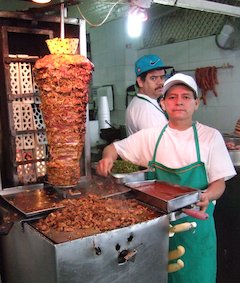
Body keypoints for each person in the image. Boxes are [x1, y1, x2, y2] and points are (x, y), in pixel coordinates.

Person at [96, 73, 236, 283]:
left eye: (186, 97)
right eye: (172, 97)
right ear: (163, 103)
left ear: (196, 103)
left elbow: (219, 183)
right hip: (157, 230)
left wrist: (207, 195)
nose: (179, 101)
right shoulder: (152, 136)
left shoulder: (210, 136)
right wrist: (107, 158)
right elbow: (113, 148)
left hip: (196, 226)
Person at [125, 54, 173, 135]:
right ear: (140, 81)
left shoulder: (142, 102)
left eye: (162, 77)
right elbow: (159, 146)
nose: (160, 82)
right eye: (153, 78)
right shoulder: (146, 110)